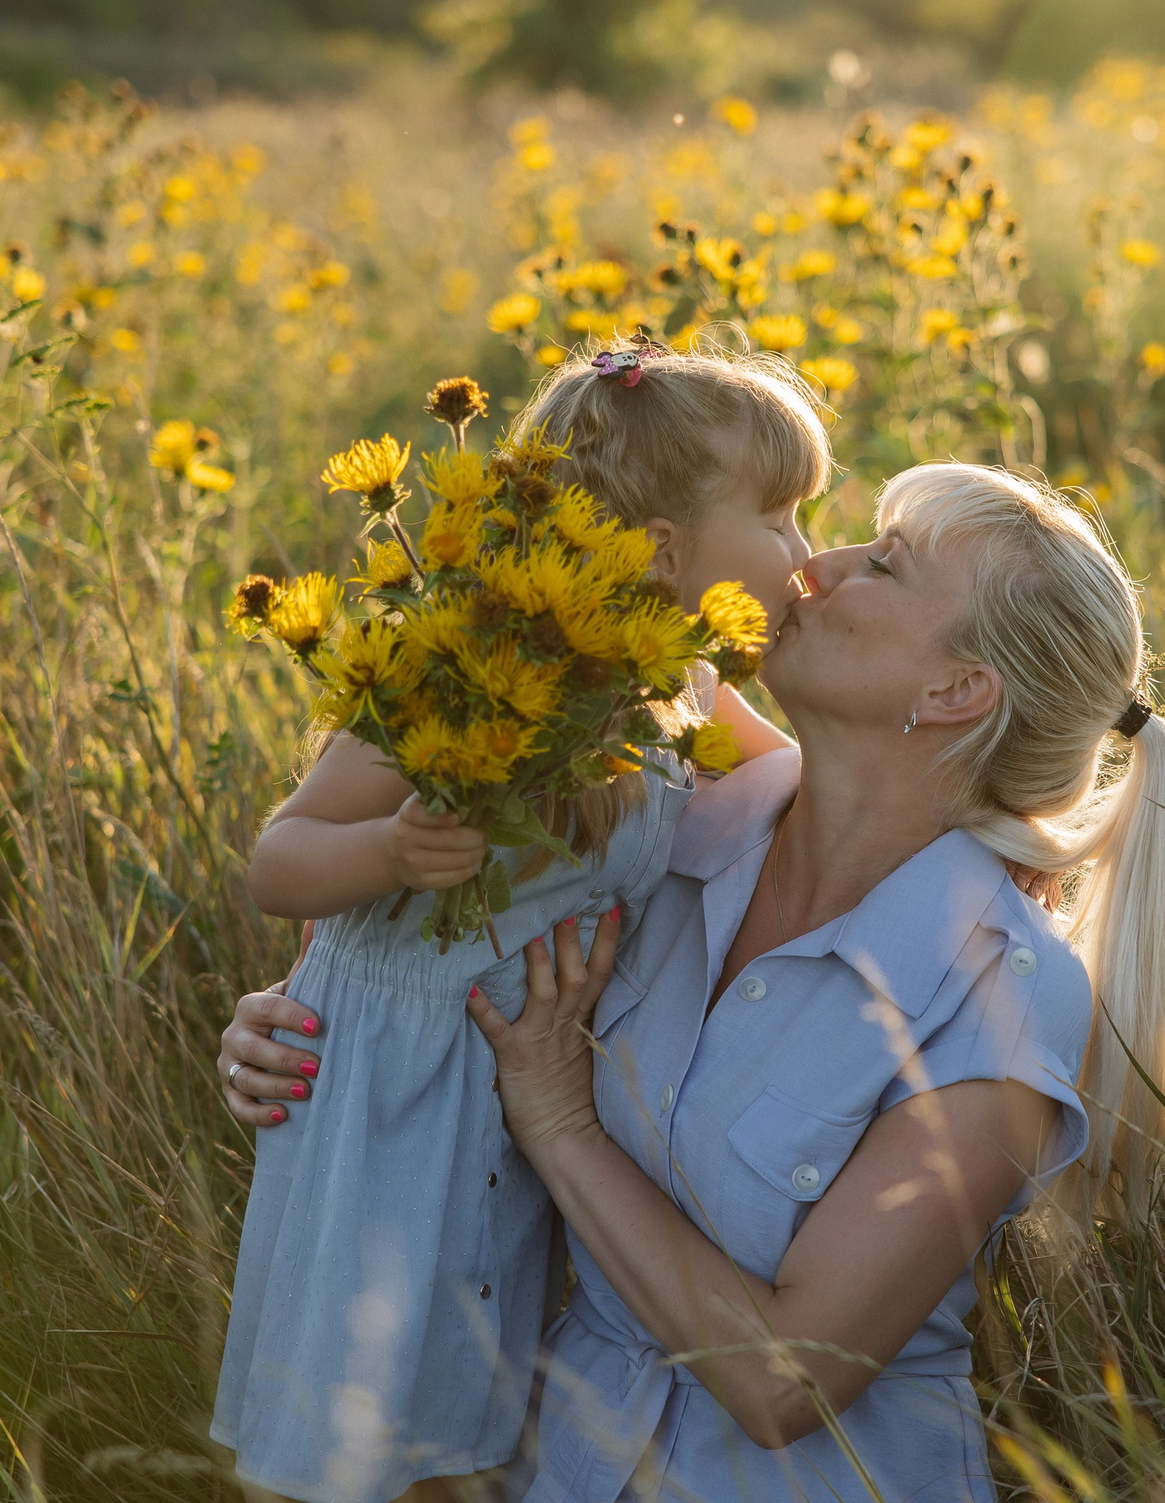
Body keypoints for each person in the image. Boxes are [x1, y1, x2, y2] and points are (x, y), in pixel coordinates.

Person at [227, 462, 1165, 1501]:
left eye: (881, 564)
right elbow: (433, 950)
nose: (813, 570)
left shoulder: (1001, 995)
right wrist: (300, 1028)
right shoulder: (664, 830)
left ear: (953, 692)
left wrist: (562, 1126)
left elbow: (790, 1383)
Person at [209, 345, 827, 1503]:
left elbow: (789, 781)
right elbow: (279, 861)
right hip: (396, 1096)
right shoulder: (464, 668)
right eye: (784, 516)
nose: (805, 552)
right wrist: (390, 852)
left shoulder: (681, 684)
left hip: (525, 1093)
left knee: (481, 1424)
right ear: (660, 552)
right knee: (364, 1432)